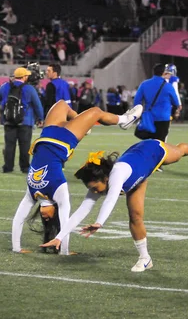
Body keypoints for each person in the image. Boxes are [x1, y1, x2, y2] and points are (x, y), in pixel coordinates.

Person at [40, 139, 188, 271]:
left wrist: (100, 222)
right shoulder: (101, 184)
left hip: (151, 150)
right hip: (138, 177)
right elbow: (82, 210)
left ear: (105, 178)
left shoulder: (117, 174)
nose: (94, 192)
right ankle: (145, 258)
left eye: (95, 188)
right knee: (135, 216)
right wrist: (60, 236)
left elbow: (110, 200)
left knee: (179, 154)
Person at [11, 100, 143, 255]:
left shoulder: (32, 192)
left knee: (61, 104)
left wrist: (16, 248)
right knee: (95, 112)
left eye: (42, 217)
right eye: (48, 220)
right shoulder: (58, 190)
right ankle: (125, 120)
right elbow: (66, 219)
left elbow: (18, 219)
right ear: (55, 212)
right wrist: (64, 252)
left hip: (47, 134)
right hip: (65, 139)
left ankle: (81, 124)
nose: (44, 217)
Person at [0, 67, 44, 174]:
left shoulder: (5, 86)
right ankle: (25, 167)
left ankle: (8, 167)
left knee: (9, 145)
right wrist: (40, 118)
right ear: (24, 77)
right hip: (25, 121)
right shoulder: (30, 88)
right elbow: (37, 105)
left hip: (9, 120)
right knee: (25, 145)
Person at [133, 63, 180, 142]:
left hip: (149, 117)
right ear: (164, 73)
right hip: (163, 118)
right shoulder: (168, 86)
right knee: (160, 144)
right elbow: (175, 102)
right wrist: (173, 113)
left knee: (147, 143)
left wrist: (140, 115)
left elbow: (137, 101)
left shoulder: (144, 84)